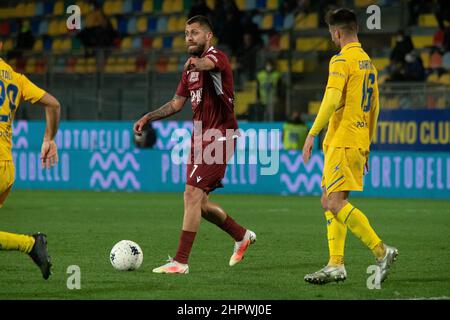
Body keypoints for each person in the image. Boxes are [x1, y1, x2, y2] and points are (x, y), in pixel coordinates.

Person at [134, 15, 256, 274]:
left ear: (208, 36)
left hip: (221, 135)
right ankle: (241, 235)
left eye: (195, 32)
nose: (189, 37)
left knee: (191, 195)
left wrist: (197, 62)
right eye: (187, 33)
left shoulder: (217, 57)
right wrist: (149, 116)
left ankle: (180, 261)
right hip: (200, 137)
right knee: (198, 203)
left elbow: (209, 63)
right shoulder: (189, 69)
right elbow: (177, 103)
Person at [301, 8, 398, 285]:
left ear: (337, 32)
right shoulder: (368, 62)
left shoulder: (341, 60)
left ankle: (381, 251)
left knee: (335, 202)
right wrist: (366, 144)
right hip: (353, 141)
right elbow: (375, 109)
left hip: (343, 140)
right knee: (327, 199)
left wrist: (312, 133)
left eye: (332, 34)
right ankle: (336, 265)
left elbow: (331, 101)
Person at [0, 41, 60, 280]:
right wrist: (49, 139)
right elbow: (53, 104)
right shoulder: (16, 78)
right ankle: (31, 245)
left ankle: (31, 245)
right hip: (6, 168)